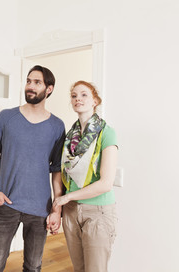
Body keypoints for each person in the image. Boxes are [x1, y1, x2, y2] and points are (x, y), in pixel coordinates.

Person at [0, 65, 66, 272]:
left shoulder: (57, 126)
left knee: (33, 266)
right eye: (29, 81)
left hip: (40, 209)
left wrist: (57, 208)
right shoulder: (6, 117)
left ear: (49, 89)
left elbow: (57, 170)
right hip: (6, 205)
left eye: (37, 82)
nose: (30, 86)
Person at [49, 80, 118, 272]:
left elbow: (105, 183)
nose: (78, 98)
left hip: (98, 212)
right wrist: (60, 204)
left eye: (84, 94)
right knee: (79, 268)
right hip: (71, 211)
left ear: (95, 100)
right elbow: (59, 172)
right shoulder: (68, 137)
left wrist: (67, 197)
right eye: (74, 96)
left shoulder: (107, 133)